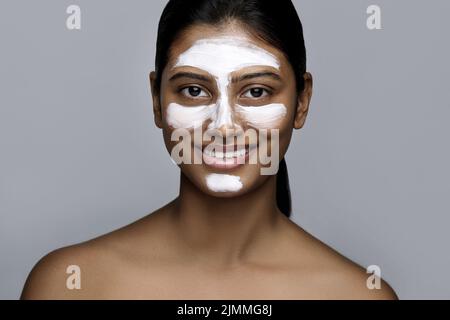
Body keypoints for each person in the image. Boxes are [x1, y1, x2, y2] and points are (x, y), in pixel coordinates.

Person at [21, 0, 398, 299]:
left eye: (256, 91)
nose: (223, 126)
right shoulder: (69, 286)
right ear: (156, 100)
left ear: (302, 102)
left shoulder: (356, 295)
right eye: (194, 90)